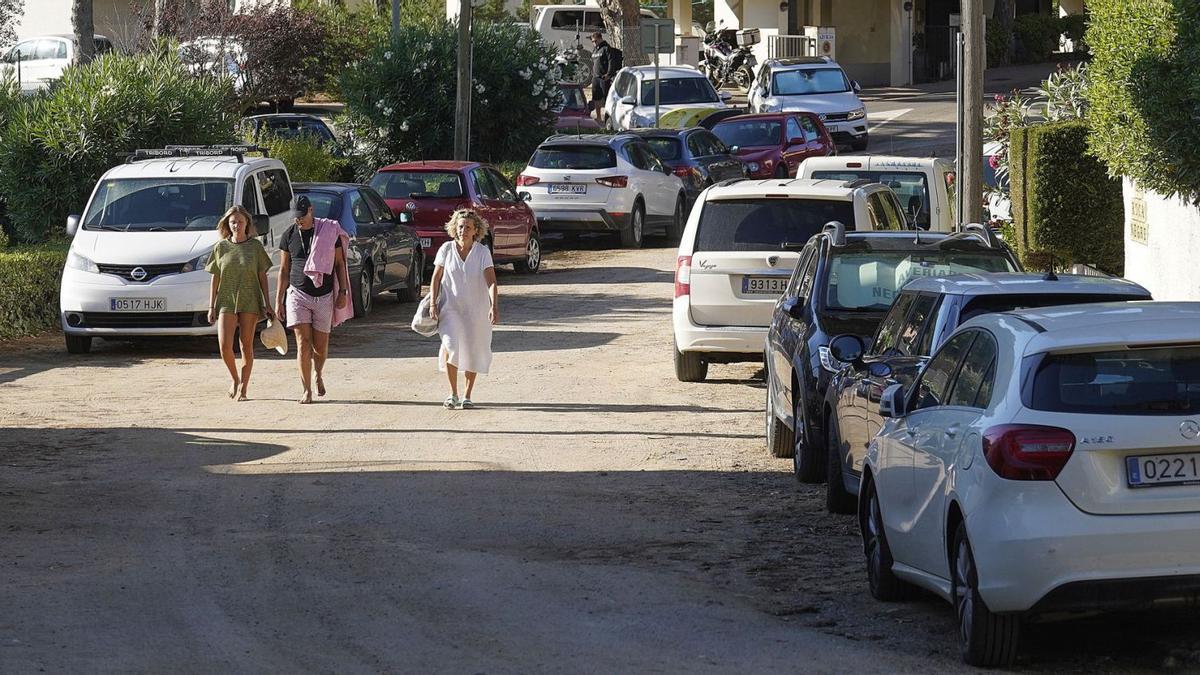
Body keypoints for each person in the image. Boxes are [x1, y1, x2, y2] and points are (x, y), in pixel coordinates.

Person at [275, 195, 352, 404]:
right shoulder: (289, 235)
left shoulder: (328, 232)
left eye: (301, 216)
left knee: (320, 347)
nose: (298, 220)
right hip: (298, 294)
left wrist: (343, 292)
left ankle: (318, 374)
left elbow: (339, 264)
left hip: (324, 295)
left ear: (311, 210)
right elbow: (283, 270)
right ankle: (306, 389)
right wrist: (278, 301)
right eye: (295, 217)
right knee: (303, 343)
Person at [429, 209, 499, 409]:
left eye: (468, 227)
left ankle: (467, 395)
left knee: (473, 349)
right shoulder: (446, 249)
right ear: (454, 228)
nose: (463, 231)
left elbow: (492, 282)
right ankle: (452, 393)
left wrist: (494, 306)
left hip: (476, 310)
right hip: (450, 308)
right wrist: (433, 303)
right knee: (451, 346)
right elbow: (436, 278)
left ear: (475, 230)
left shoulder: (482, 252)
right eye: (460, 226)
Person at [206, 205, 274, 401]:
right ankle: (235, 379)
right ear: (227, 223)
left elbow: (262, 276)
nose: (236, 225)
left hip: (250, 299)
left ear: (247, 224)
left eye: (240, 222)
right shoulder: (221, 247)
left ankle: (244, 387)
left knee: (246, 346)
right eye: (233, 222)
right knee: (224, 346)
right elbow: (215, 277)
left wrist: (267, 304)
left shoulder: (255, 247)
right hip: (226, 299)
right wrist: (211, 306)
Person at [590, 31, 618, 124]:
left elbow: (611, 62)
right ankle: (598, 118)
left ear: (600, 39)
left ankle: (608, 118)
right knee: (596, 99)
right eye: (593, 41)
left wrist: (608, 74)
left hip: (604, 77)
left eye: (595, 41)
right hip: (596, 77)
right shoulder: (595, 50)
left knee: (606, 98)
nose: (594, 43)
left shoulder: (606, 48)